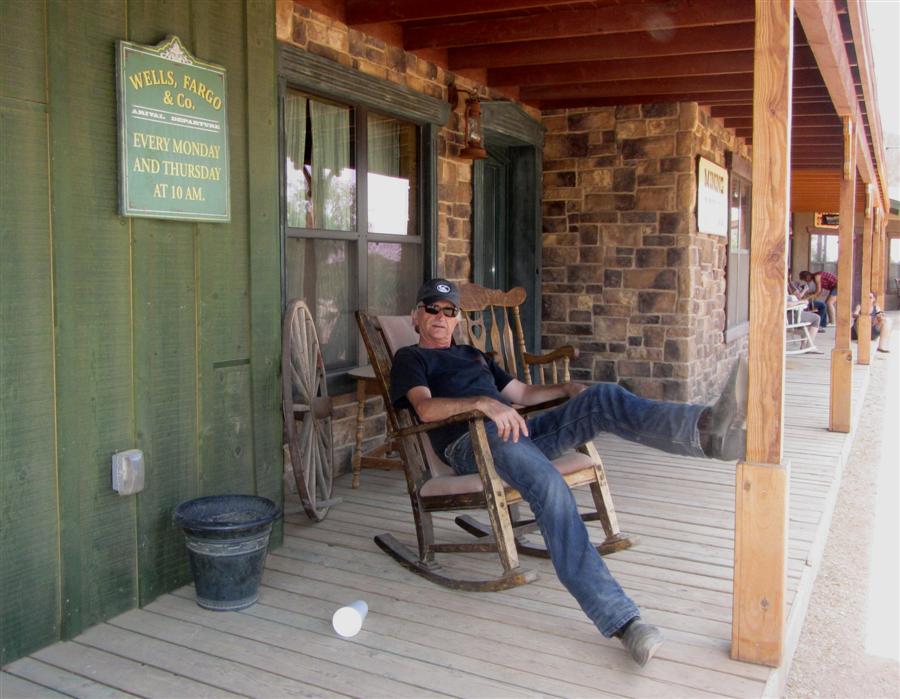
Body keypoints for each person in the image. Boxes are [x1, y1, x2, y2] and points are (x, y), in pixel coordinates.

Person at [390, 279, 749, 668]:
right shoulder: (412, 358)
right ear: (415, 317)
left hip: (518, 433)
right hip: (472, 444)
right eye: (431, 308)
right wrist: (483, 404)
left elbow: (523, 395)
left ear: (457, 319)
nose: (440, 316)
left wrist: (567, 388)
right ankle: (622, 621)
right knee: (548, 482)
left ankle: (707, 432)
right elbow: (425, 409)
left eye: (448, 310)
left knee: (603, 396)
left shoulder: (474, 355)